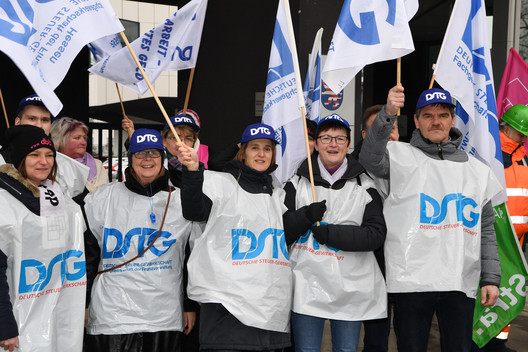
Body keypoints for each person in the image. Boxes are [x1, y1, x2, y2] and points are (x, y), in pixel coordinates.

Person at [359, 86, 503, 352]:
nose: (436, 121)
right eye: (427, 115)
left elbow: (486, 230)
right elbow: (368, 158)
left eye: (443, 115)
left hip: (459, 280)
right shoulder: (398, 156)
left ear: (452, 119)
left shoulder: (477, 170)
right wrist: (388, 113)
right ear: (416, 120)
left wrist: (491, 278)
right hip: (411, 282)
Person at [177, 122, 325, 351]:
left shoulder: (275, 193)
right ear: (243, 152)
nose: (261, 153)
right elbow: (194, 211)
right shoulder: (220, 183)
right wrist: (193, 172)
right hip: (226, 311)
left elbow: (280, 234)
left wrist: (305, 216)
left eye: (267, 148)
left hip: (267, 311)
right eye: (254, 147)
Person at [83, 129, 195, 352]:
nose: (147, 159)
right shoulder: (104, 198)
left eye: (153, 153)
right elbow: (88, 255)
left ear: (162, 158)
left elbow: (189, 258)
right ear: (130, 158)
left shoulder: (181, 200)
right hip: (112, 315)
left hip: (164, 315)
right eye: (140, 153)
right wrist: (83, 303)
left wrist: (189, 305)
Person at [284, 114, 387, 352]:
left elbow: (375, 235)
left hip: (351, 289)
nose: (333, 144)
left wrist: (331, 234)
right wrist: (305, 217)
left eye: (340, 138)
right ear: (317, 143)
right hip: (305, 286)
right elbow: (281, 231)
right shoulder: (297, 183)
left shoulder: (365, 185)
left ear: (348, 144)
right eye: (327, 137)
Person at [0, 125, 86, 352]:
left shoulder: (57, 195)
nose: (44, 162)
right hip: (19, 320)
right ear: (20, 159)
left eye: (49, 155)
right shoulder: (3, 201)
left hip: (56, 316)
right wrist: (5, 325)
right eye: (34, 155)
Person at [0, 94, 90, 198]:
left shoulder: (66, 166)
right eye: (32, 118)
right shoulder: (1, 159)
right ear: (18, 122)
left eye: (45, 120)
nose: (39, 125)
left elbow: (82, 209)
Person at [208, 118, 318, 172]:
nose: (261, 154)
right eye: (255, 147)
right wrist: (244, 143)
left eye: (309, 139)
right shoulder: (273, 164)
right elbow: (215, 164)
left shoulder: (317, 169)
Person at [50, 117, 108, 196]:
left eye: (84, 138)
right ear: (60, 141)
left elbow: (105, 196)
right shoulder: (51, 165)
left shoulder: (97, 164)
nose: (83, 142)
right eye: (77, 138)